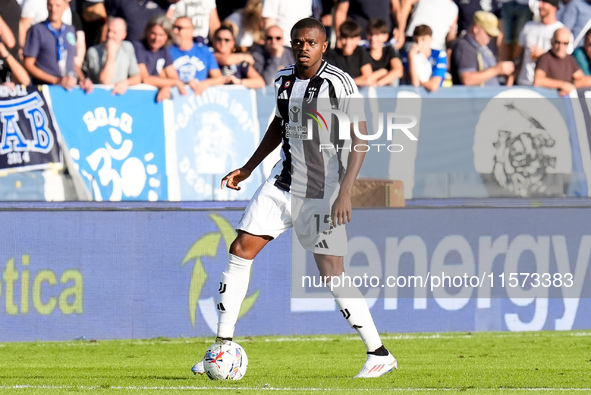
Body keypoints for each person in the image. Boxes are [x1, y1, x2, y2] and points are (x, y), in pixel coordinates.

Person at [191, 17, 397, 379]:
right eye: (298, 41)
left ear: (323, 46)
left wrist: (345, 192)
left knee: (331, 272)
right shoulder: (283, 80)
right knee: (240, 250)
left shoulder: (339, 83)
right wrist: (249, 166)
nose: (303, 47)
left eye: (311, 42)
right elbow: (278, 123)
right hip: (281, 184)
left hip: (321, 191)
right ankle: (223, 346)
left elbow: (360, 140)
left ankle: (378, 352)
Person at [23, 0, 92, 92]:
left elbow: (70, 61)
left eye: (58, 6)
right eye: (50, 5)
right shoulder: (37, 30)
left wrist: (82, 79)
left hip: (69, 89)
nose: (53, 9)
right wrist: (56, 80)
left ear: (66, 7)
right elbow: (28, 64)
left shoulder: (70, 30)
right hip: (46, 90)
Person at [450, 11, 515, 86]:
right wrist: (497, 70)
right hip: (474, 97)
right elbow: (467, 79)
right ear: (476, 28)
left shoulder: (482, 47)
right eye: (488, 34)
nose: (490, 38)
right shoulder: (465, 46)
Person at [133, 15, 187, 102]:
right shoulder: (138, 47)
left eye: (161, 35)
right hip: (136, 96)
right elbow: (146, 78)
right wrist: (174, 83)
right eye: (153, 33)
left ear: (167, 37)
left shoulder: (163, 49)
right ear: (147, 32)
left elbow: (173, 76)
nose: (156, 38)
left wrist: (166, 86)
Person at [515, 0, 570, 86]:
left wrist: (543, 56)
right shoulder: (528, 26)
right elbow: (518, 57)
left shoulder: (562, 32)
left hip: (548, 88)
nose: (539, 5)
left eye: (544, 2)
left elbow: (566, 64)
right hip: (524, 83)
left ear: (554, 6)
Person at [83, 17, 141, 95]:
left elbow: (137, 77)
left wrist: (125, 83)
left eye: (114, 32)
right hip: (97, 97)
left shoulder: (128, 47)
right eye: (109, 31)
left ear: (123, 35)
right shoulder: (93, 51)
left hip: (119, 96)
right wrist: (110, 53)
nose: (109, 35)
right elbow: (105, 81)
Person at [169, 16, 225, 94]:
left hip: (198, 98)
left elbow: (219, 78)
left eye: (179, 28)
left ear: (191, 30)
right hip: (177, 96)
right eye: (173, 27)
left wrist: (205, 83)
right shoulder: (167, 51)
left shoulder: (204, 51)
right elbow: (165, 78)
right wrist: (187, 83)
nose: (175, 31)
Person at [534, 27, 591, 95]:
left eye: (565, 43)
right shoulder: (545, 58)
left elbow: (581, 78)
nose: (561, 47)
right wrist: (562, 85)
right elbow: (538, 81)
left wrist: (570, 87)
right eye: (558, 42)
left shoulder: (570, 59)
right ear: (552, 42)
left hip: (564, 100)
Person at [324, 19, 373, 86]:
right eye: (345, 38)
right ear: (339, 38)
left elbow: (368, 77)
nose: (348, 43)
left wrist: (346, 82)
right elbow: (333, 81)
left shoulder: (361, 52)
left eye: (352, 38)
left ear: (358, 39)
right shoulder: (331, 55)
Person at [333, 0, 402, 45]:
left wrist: (400, 31)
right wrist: (339, 36)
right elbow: (341, 12)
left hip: (385, 40)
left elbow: (396, 9)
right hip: (359, 41)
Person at [405, 24, 447, 92]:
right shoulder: (409, 56)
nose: (419, 44)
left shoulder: (439, 55)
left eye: (423, 40)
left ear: (431, 39)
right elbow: (414, 83)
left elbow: (433, 86)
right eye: (416, 40)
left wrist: (420, 83)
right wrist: (411, 57)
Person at [365, 18, 402, 86]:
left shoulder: (389, 50)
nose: (373, 38)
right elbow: (367, 78)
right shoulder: (363, 52)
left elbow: (398, 71)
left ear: (385, 37)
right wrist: (381, 72)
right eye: (371, 34)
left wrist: (379, 83)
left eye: (377, 35)